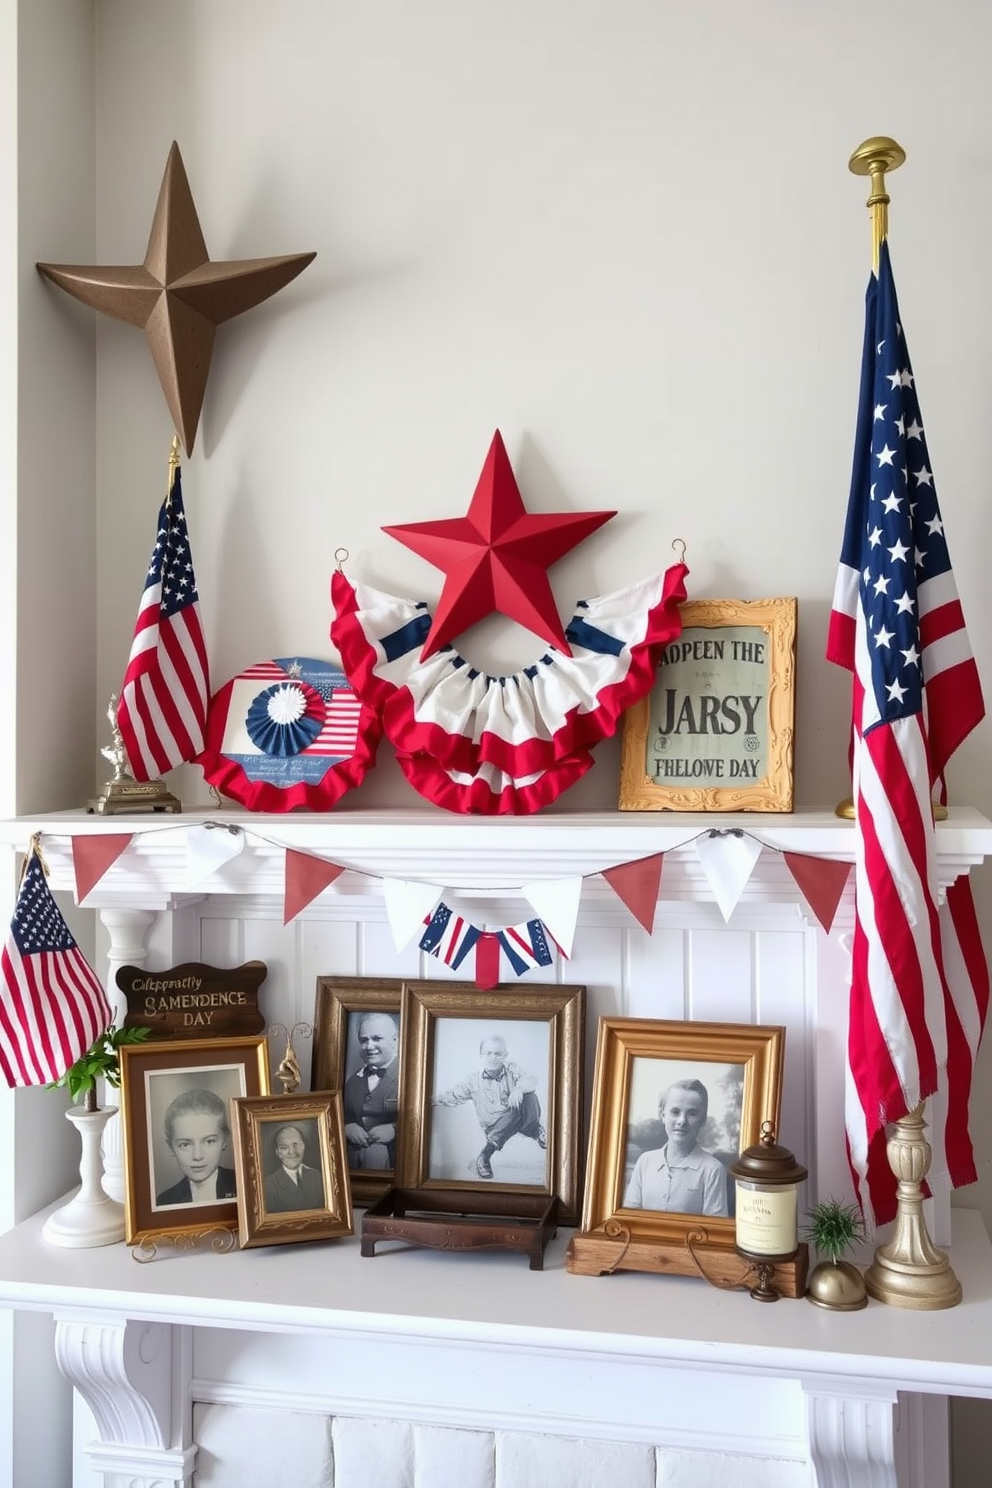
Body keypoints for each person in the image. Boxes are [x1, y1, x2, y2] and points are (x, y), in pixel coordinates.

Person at [433, 1033, 546, 1180]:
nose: (493, 1057)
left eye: (498, 1053)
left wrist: (519, 1089)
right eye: (488, 1053)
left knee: (529, 1095)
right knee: (518, 1107)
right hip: (494, 1126)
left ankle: (535, 1131)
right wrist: (426, 1099)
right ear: (481, 1054)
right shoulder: (472, 1081)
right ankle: (485, 1156)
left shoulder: (512, 1070)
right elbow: (452, 1094)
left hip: (519, 1121)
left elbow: (532, 1079)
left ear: (506, 1055)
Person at [623, 1078, 729, 1216]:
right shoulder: (645, 1161)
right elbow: (629, 1217)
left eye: (692, 1113)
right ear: (663, 1115)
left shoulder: (712, 1170)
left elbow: (715, 1230)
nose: (682, 1121)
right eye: (675, 1112)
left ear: (702, 1120)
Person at [155, 1088, 237, 1206]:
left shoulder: (246, 1186)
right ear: (170, 1147)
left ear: (225, 1140)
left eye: (209, 1141)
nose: (197, 1156)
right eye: (185, 1144)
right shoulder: (165, 1202)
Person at [342, 1012, 400, 1170]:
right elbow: (339, 1115)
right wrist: (346, 1127)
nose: (369, 1046)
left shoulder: (411, 1079)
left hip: (396, 1163)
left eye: (377, 1038)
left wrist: (395, 1129)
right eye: (364, 1040)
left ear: (395, 1040)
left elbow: (428, 1123)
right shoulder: (353, 1081)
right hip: (354, 1162)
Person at [263, 1123, 325, 1212]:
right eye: (285, 1147)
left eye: (295, 1145)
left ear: (303, 1146)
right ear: (278, 1152)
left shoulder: (319, 1177)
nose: (292, 1151)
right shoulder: (268, 1185)